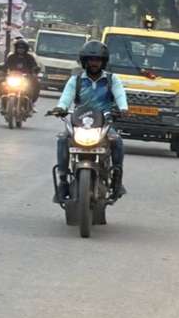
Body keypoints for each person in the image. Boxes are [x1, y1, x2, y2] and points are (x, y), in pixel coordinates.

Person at [51, 41, 129, 201]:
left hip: (104, 123)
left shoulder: (112, 79)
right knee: (62, 140)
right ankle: (63, 180)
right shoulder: (76, 79)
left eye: (98, 60)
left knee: (117, 141)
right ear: (85, 61)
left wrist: (123, 108)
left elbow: (120, 95)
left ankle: (116, 179)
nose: (94, 63)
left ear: (103, 61)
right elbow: (66, 96)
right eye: (91, 60)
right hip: (79, 122)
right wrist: (60, 107)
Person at [0, 39, 41, 103]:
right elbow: (6, 66)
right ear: (16, 48)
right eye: (19, 48)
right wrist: (2, 70)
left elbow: (34, 66)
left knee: (37, 83)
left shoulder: (29, 57)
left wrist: (35, 69)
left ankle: (31, 101)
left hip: (26, 78)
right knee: (1, 82)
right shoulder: (11, 57)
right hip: (13, 77)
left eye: (22, 48)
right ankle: (3, 101)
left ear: (26, 49)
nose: (20, 49)